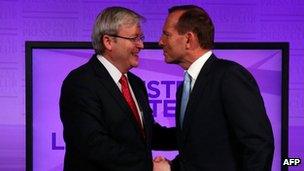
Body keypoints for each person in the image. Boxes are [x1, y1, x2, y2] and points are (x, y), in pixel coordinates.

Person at [155, 5, 275, 171]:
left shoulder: (229, 76)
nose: (160, 41)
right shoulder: (185, 87)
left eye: (167, 34)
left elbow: (258, 145)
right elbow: (202, 148)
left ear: (189, 39)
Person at [60, 7, 175, 171]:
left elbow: (148, 134)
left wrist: (191, 134)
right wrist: (149, 167)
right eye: (134, 38)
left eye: (140, 38)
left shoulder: (136, 84)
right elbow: (94, 145)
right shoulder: (81, 82)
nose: (141, 45)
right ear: (108, 42)